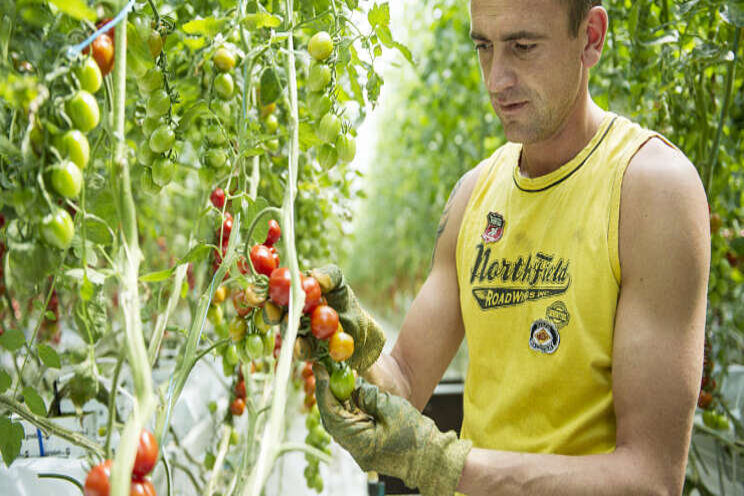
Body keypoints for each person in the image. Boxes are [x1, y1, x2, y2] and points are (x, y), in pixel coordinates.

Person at [310, 1, 711, 494]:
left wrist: (444, 464)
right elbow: (407, 380)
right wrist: (344, 340)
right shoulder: (473, 194)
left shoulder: (651, 190)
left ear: (590, 37)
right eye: (484, 47)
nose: (497, 80)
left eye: (523, 47)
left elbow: (650, 478)